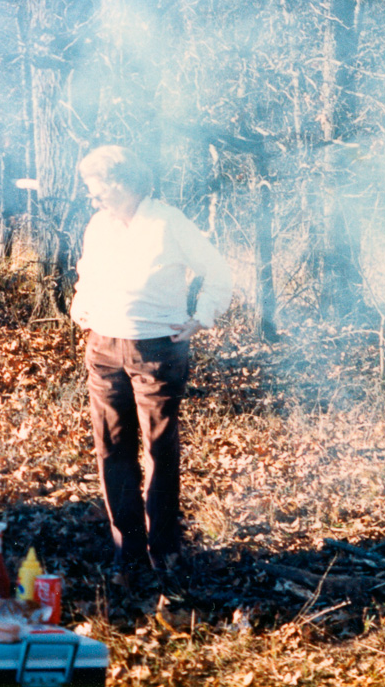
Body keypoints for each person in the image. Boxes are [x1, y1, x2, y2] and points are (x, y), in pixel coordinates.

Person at [70, 145, 233, 587]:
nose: (92, 198)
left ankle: (164, 549)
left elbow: (218, 271)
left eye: (96, 189)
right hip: (103, 348)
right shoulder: (99, 225)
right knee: (112, 449)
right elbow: (86, 275)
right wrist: (82, 308)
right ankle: (129, 553)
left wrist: (202, 317)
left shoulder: (168, 222)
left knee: (159, 450)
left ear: (121, 183)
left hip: (157, 350)